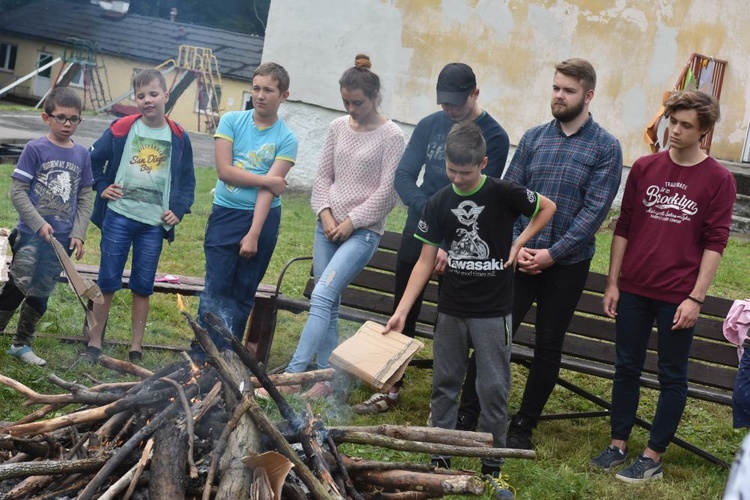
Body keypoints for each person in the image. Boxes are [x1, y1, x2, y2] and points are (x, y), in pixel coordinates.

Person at [384, 121, 555, 497]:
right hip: (452, 310)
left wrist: (519, 241)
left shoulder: (503, 192)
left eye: (466, 171)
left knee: (493, 387)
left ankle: (493, 468)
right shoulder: (440, 201)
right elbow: (425, 262)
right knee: (445, 384)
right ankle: (440, 461)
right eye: (451, 170)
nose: (458, 178)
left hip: (493, 312)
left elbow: (547, 207)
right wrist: (402, 310)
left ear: (484, 163)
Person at [456, 58, 623, 440]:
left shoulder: (606, 148)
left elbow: (593, 213)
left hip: (568, 264)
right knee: (492, 335)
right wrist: (521, 245)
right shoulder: (533, 138)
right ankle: (467, 412)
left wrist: (553, 253)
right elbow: (508, 196)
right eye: (556, 88)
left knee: (548, 344)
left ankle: (524, 423)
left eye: (568, 90)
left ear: (588, 95)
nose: (559, 96)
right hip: (519, 256)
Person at [590, 90, 736, 482]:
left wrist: (695, 297)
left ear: (704, 131)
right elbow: (624, 227)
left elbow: (715, 242)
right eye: (673, 121)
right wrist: (614, 282)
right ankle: (618, 443)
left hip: (678, 296)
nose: (675, 130)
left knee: (672, 375)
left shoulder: (719, 180)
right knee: (626, 367)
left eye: (686, 125)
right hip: (634, 288)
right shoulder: (644, 167)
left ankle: (653, 455)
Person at [353, 62, 510, 415]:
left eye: (457, 102)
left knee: (460, 318)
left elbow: (480, 194)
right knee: (403, 308)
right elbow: (405, 174)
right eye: (445, 103)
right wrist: (431, 215)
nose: (450, 109)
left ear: (476, 94)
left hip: (467, 241)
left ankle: (463, 399)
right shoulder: (428, 126)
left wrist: (446, 238)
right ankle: (390, 388)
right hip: (420, 228)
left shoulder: (494, 137)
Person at [255, 54, 405, 399]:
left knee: (322, 293)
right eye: (346, 102)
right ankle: (329, 380)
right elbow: (322, 177)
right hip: (327, 227)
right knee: (330, 302)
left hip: (362, 232)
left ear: (373, 97)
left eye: (358, 103)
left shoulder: (392, 135)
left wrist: (352, 222)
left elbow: (388, 192)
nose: (351, 109)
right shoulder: (337, 128)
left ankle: (293, 376)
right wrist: (325, 215)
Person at [84, 69, 196, 363]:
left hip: (153, 224)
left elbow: (187, 181)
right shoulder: (122, 128)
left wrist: (179, 210)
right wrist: (101, 186)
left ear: (165, 96)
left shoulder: (179, 137)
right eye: (141, 95)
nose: (148, 101)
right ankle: (94, 341)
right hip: (119, 216)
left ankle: (136, 346)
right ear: (135, 99)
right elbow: (92, 159)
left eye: (153, 94)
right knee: (107, 280)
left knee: (142, 285)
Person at [191, 62, 297, 359]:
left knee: (243, 291)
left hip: (262, 220)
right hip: (226, 213)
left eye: (269, 90)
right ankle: (202, 352)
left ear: (283, 95)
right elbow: (225, 172)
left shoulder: (287, 138)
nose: (260, 95)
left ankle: (228, 354)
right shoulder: (232, 121)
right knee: (217, 285)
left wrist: (253, 233)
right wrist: (268, 179)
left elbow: (269, 193)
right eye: (257, 88)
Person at [0, 87, 94, 366]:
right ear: (46, 117)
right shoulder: (35, 148)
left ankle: (21, 344)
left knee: (42, 291)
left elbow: (85, 197)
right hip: (30, 236)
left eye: (73, 119)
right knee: (18, 285)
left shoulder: (82, 155)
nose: (67, 124)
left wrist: (78, 233)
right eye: (61, 117)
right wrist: (38, 223)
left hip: (60, 242)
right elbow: (17, 192)